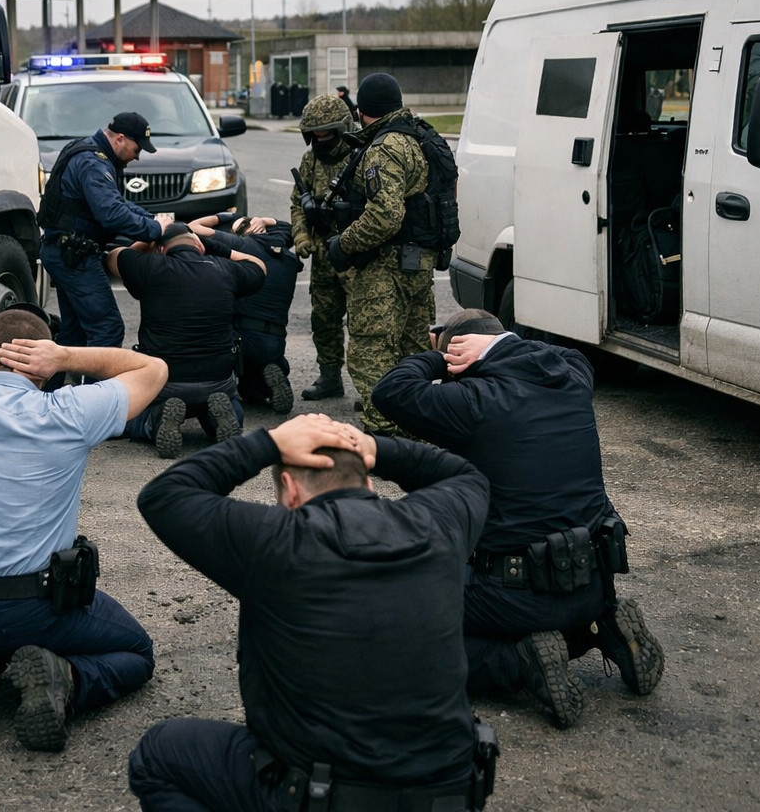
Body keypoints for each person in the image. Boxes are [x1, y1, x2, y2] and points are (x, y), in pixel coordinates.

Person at [128, 414, 496, 811]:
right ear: (369, 483)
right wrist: (375, 447)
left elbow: (164, 495)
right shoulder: (438, 524)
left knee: (157, 755)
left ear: (289, 490)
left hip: (327, 797)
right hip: (449, 795)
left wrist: (268, 443)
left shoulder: (277, 542)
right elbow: (466, 475)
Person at [371, 308, 665, 729]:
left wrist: (440, 356)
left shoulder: (471, 402)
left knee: (393, 630)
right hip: (594, 583)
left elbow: (390, 390)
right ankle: (600, 629)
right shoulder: (571, 381)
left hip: (515, 596)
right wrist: (500, 343)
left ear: (461, 360)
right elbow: (572, 354)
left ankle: (519, 661)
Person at [0, 304, 169, 750]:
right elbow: (153, 369)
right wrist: (65, 356)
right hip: (34, 612)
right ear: (43, 368)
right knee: (136, 652)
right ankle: (67, 679)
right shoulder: (69, 412)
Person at [323, 73, 436, 434]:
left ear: (361, 111)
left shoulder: (384, 148)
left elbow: (386, 215)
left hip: (386, 264)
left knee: (371, 350)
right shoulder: (422, 136)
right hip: (420, 260)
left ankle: (385, 431)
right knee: (413, 349)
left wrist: (344, 244)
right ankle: (417, 428)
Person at [106, 221, 266, 459]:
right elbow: (259, 267)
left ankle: (157, 419)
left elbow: (113, 257)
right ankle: (220, 418)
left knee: (134, 417)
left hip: (164, 381)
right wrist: (217, 247)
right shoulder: (225, 269)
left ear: (161, 250)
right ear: (199, 246)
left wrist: (149, 238)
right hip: (217, 379)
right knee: (226, 404)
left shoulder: (149, 267)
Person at [38, 111, 172, 348]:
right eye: (137, 149)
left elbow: (116, 202)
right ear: (120, 138)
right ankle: (97, 376)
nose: (137, 157)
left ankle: (62, 373)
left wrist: (151, 219)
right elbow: (112, 214)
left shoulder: (86, 149)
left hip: (64, 251)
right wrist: (154, 229)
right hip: (75, 256)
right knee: (107, 329)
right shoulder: (94, 163)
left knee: (75, 333)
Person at [191, 214, 301, 415]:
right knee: (256, 380)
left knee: (239, 379)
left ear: (246, 232)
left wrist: (225, 216)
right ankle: (274, 378)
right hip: (275, 341)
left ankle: (222, 389)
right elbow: (291, 229)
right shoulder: (286, 254)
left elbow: (193, 227)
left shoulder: (243, 245)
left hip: (242, 339)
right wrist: (267, 221)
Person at [289, 94, 358, 403]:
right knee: (324, 320)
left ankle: (370, 384)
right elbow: (297, 203)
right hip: (322, 254)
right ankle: (330, 377)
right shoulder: (311, 160)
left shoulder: (360, 156)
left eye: (325, 134)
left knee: (363, 323)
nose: (319, 140)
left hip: (354, 254)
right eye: (314, 134)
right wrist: (301, 236)